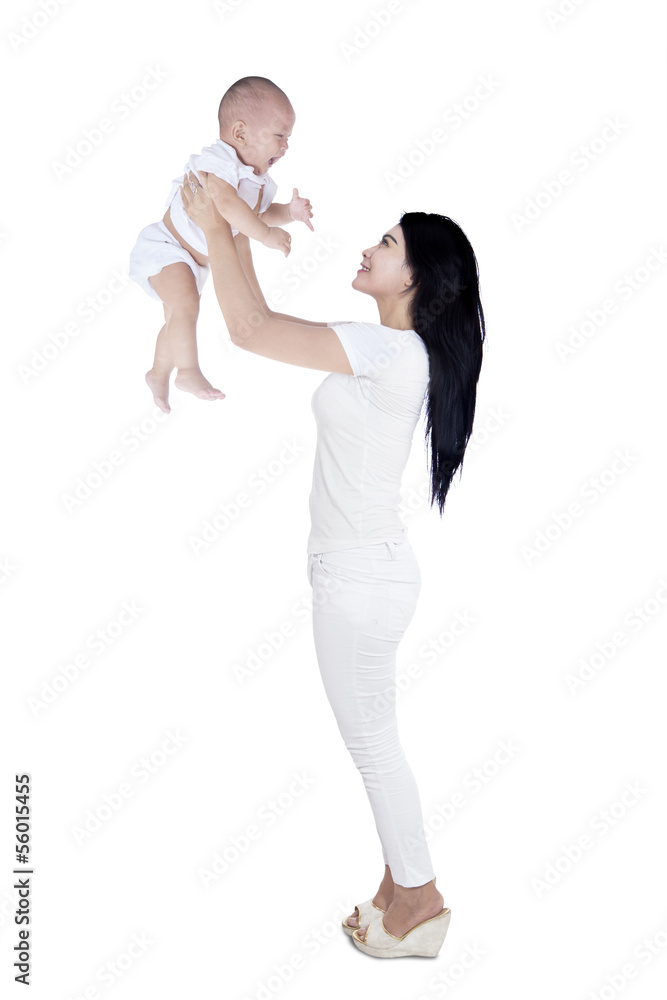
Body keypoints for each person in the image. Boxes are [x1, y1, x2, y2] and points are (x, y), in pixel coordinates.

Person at [178, 171, 486, 959]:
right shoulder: (395, 353)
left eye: (384, 245)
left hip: (358, 581)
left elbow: (248, 329)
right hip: (365, 574)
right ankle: (397, 887)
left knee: (374, 746)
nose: (366, 249)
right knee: (377, 740)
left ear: (415, 277)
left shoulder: (388, 350)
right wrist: (231, 225)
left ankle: (418, 898)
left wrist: (220, 222)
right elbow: (257, 318)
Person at [128, 76, 314, 414]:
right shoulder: (220, 161)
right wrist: (266, 236)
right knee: (186, 309)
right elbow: (226, 205)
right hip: (168, 248)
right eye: (279, 135)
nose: (285, 146)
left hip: (192, 262)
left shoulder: (258, 182)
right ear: (240, 133)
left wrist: (288, 212)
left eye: (288, 138)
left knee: (175, 319)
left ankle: (158, 374)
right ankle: (187, 372)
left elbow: (259, 213)